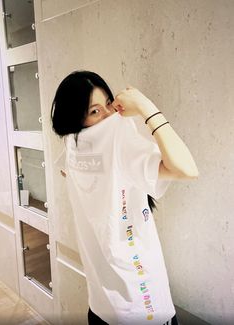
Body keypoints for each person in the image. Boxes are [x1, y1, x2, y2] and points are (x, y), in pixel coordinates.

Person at [51, 70, 199, 325]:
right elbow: (187, 169)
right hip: (143, 307)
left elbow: (65, 169)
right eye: (95, 111)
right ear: (77, 119)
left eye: (108, 104)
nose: (110, 115)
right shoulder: (116, 142)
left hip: (101, 305)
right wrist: (145, 106)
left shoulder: (72, 147)